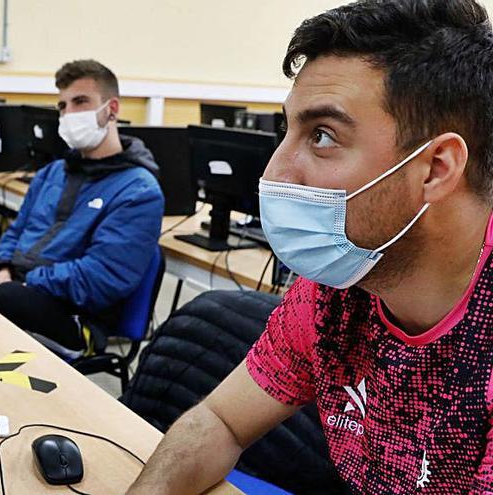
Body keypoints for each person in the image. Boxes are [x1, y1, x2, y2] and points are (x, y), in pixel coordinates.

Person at [128, 1, 493, 493]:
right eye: (288, 130)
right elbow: (220, 422)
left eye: (322, 136)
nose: (274, 173)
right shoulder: (337, 290)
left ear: (436, 168)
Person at [0, 60, 164, 356]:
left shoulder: (139, 191)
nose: (69, 114)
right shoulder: (51, 173)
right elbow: (14, 233)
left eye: (81, 102)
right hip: (23, 290)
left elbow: (100, 278)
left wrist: (24, 280)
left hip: (79, 318)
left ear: (111, 109)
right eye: (63, 106)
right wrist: (2, 269)